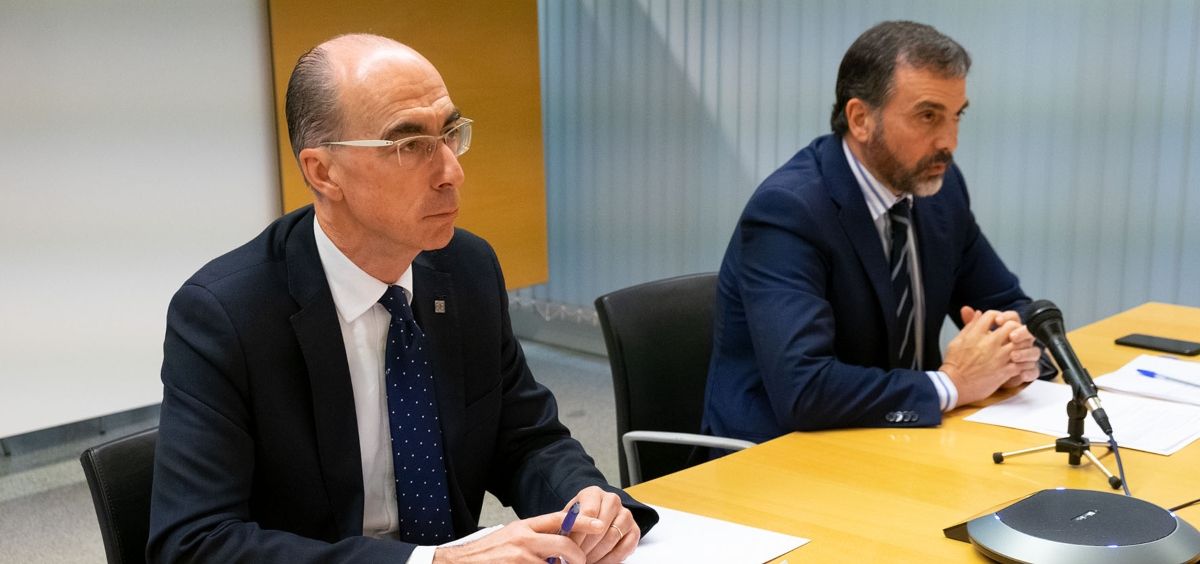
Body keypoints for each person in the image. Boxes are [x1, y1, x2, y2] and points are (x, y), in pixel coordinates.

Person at [148, 34, 655, 563]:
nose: (452, 172)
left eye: (450, 134)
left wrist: (587, 502)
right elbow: (195, 544)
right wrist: (428, 563)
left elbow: (526, 438)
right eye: (409, 145)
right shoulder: (226, 314)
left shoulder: (467, 269)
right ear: (323, 172)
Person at [702, 21, 1054, 443]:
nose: (949, 142)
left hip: (898, 439)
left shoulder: (939, 191)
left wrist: (1016, 354)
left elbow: (1009, 304)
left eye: (956, 116)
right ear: (860, 119)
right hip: (779, 453)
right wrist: (952, 385)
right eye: (928, 116)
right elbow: (805, 389)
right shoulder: (790, 211)